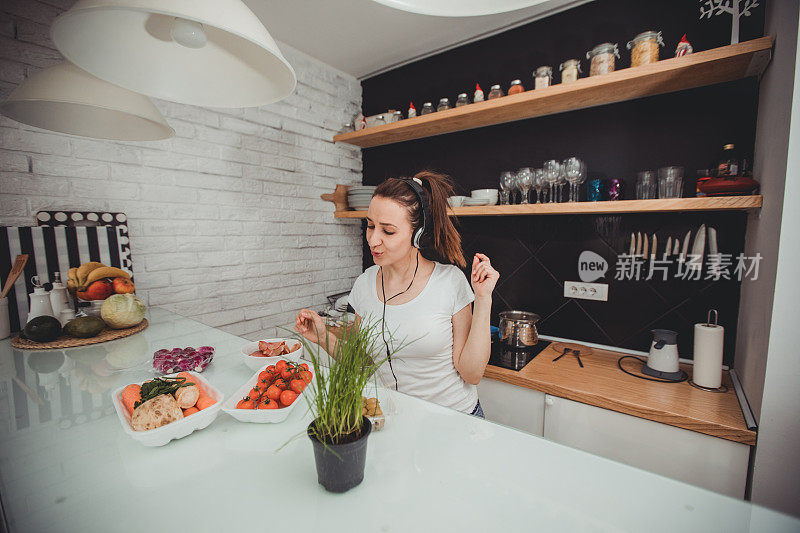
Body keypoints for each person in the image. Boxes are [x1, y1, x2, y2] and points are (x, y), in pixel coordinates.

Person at [295, 171, 499, 417]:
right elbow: (363, 364)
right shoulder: (364, 284)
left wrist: (484, 298)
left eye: (388, 231)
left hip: (455, 419)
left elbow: (472, 373)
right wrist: (321, 336)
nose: (373, 240)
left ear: (418, 234)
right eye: (370, 226)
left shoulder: (450, 281)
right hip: (394, 418)